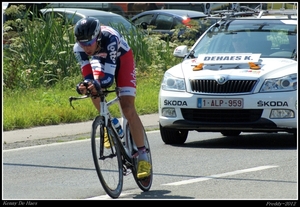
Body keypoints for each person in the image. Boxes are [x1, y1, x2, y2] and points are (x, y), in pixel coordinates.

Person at [73, 17, 151, 179]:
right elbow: (88, 76)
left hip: (122, 59)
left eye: (89, 43)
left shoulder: (110, 39)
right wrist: (84, 86)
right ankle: (111, 122)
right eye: (82, 43)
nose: (86, 47)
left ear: (98, 37)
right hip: (100, 60)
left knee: (128, 108)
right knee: (92, 88)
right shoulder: (79, 48)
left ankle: (143, 156)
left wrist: (96, 83)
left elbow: (108, 79)